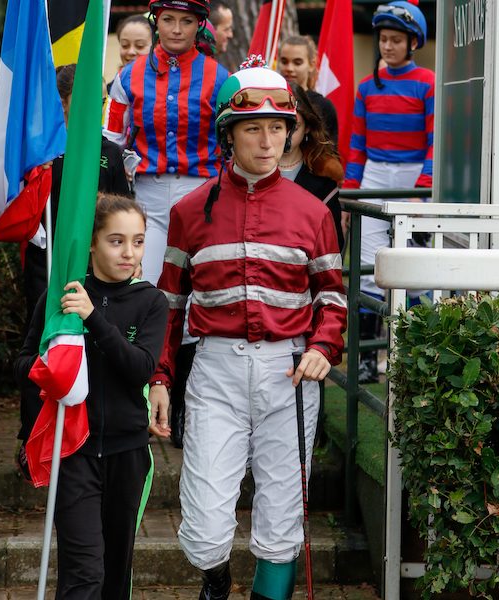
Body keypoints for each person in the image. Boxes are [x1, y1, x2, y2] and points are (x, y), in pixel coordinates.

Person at [148, 63, 347, 600]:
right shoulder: (188, 211)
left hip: (290, 373)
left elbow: (332, 298)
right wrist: (160, 378)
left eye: (278, 128)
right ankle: (215, 579)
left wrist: (324, 346)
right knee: (204, 521)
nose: (267, 141)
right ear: (228, 135)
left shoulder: (314, 212)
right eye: (253, 128)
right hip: (215, 370)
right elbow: (169, 306)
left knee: (282, 517)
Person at [15, 193, 169, 599]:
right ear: (92, 244)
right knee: (83, 572)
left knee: (115, 574)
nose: (129, 252)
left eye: (138, 241)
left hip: (127, 453)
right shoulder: (61, 297)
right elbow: (23, 364)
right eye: (116, 241)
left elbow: (140, 367)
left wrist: (93, 319)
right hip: (73, 451)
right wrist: (51, 369)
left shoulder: (151, 302)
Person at [18, 64, 130, 469]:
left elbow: (124, 211)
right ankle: (33, 435)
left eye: (100, 101)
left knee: (92, 345)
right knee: (46, 345)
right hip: (48, 265)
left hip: (96, 271)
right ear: (62, 103)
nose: (94, 108)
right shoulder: (42, 151)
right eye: (84, 100)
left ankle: (84, 432)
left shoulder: (109, 153)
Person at [103, 0, 229, 286]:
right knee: (145, 285)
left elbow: (231, 146)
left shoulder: (221, 79)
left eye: (186, 21)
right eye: (168, 19)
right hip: (148, 197)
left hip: (204, 196)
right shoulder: (127, 76)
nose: (176, 29)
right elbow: (111, 140)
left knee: (202, 288)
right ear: (156, 21)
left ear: (199, 25)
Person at [344, 0, 434, 383]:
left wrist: (422, 189)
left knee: (414, 268)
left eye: (396, 40)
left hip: (412, 176)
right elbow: (357, 145)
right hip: (375, 175)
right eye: (383, 39)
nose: (388, 46)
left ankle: (417, 354)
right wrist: (350, 195)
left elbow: (434, 141)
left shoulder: (427, 82)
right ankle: (366, 359)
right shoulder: (367, 87)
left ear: (413, 43)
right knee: (368, 267)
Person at [280, 82, 345, 249]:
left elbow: (333, 243)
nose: (286, 135)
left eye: (294, 127)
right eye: (278, 126)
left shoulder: (323, 176)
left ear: (307, 127)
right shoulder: (251, 170)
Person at [278, 35, 338, 146]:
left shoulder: (323, 106)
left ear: (311, 65)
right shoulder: (270, 99)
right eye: (284, 61)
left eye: (297, 63)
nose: (289, 68)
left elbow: (330, 151)